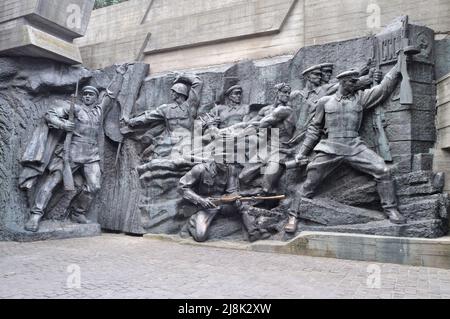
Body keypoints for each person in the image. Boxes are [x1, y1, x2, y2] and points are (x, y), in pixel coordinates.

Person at [285, 59, 407, 233]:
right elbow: (314, 130)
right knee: (309, 183)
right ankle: (293, 215)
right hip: (330, 147)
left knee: (383, 171)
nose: (356, 84)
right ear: (343, 82)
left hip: (354, 146)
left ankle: (391, 209)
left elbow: (383, 89)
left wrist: (399, 65)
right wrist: (302, 152)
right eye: (352, 81)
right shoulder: (325, 102)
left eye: (356, 81)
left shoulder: (361, 98)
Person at [20, 64, 128, 232]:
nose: (87, 97)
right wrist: (64, 124)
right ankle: (36, 215)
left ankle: (78, 212)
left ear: (95, 97)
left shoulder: (99, 112)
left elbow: (110, 94)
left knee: (94, 186)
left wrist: (119, 74)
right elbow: (50, 115)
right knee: (52, 183)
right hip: (71, 153)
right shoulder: (74, 109)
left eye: (91, 95)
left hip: (92, 155)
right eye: (85, 94)